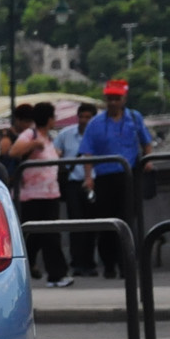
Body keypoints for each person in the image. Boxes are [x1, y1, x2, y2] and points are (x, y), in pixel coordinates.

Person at [79, 79, 154, 280]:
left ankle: (126, 264)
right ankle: (109, 264)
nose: (112, 102)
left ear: (124, 99)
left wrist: (148, 161)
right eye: (109, 99)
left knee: (129, 221)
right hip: (104, 178)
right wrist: (89, 177)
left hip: (129, 177)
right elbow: (87, 153)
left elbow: (147, 142)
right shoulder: (95, 123)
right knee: (108, 225)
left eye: (116, 99)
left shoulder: (134, 118)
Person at [12, 103, 71, 287]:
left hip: (50, 194)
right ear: (48, 118)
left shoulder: (49, 138)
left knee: (46, 235)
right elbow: (14, 151)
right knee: (37, 236)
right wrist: (32, 144)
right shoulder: (32, 135)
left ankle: (55, 274)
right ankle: (55, 275)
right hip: (32, 196)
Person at [55, 102, 100, 277]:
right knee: (75, 223)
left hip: (95, 182)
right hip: (73, 183)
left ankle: (90, 262)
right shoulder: (66, 134)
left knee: (93, 224)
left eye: (88, 117)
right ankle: (77, 263)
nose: (84, 120)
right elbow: (56, 151)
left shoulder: (97, 135)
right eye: (81, 116)